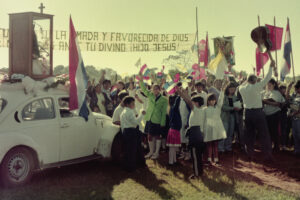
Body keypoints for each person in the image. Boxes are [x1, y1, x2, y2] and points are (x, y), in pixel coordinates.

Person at [238, 60, 276, 163]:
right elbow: (267, 77)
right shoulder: (257, 86)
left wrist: (249, 79)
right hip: (258, 113)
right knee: (264, 134)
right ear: (255, 80)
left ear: (247, 80)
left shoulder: (241, 88)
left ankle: (249, 154)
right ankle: (267, 155)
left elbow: (244, 83)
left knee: (249, 134)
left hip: (247, 113)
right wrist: (271, 67)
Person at [139, 72, 168, 160]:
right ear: (152, 89)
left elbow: (164, 112)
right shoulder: (150, 95)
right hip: (149, 119)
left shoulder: (164, 99)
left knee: (158, 136)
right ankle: (151, 151)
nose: (155, 90)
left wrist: (163, 122)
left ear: (159, 90)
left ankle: (156, 153)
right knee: (149, 135)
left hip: (158, 120)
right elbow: (144, 89)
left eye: (156, 89)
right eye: (153, 89)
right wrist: (141, 80)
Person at [178, 88, 205, 178]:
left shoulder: (196, 110)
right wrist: (184, 93)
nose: (191, 104)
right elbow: (189, 100)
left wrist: (181, 94)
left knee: (195, 155)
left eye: (193, 102)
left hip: (195, 133)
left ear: (196, 103)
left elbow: (188, 101)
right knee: (198, 155)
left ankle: (197, 174)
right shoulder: (202, 110)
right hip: (199, 133)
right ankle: (199, 172)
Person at [203, 81, 228, 165]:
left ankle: (216, 160)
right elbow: (203, 120)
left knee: (215, 145)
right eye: (210, 100)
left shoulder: (217, 108)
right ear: (208, 101)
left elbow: (221, 99)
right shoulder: (205, 109)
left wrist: (223, 90)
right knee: (209, 145)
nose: (212, 102)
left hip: (216, 128)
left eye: (213, 100)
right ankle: (209, 159)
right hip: (209, 128)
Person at [120, 96, 146, 172]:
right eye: (132, 103)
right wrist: (142, 114)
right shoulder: (129, 111)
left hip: (126, 131)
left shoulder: (124, 111)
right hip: (130, 132)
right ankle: (131, 167)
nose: (134, 105)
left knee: (128, 150)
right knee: (132, 150)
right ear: (127, 104)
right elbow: (136, 122)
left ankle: (129, 166)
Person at [262, 79, 285, 152]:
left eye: (270, 85)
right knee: (268, 131)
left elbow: (277, 104)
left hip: (274, 114)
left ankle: (276, 146)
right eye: (267, 85)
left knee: (274, 131)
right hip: (267, 115)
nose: (268, 86)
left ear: (274, 85)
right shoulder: (265, 92)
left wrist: (266, 101)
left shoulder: (276, 93)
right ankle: (271, 146)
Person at [219, 82, 240, 153]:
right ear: (227, 89)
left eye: (233, 89)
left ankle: (228, 147)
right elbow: (223, 107)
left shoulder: (235, 97)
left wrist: (239, 107)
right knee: (224, 133)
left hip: (233, 117)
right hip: (225, 117)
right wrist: (233, 108)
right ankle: (221, 148)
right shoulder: (224, 97)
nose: (232, 91)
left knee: (230, 133)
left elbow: (238, 106)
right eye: (231, 89)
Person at [166, 95, 182, 165]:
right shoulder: (174, 108)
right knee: (172, 148)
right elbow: (177, 102)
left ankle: (174, 161)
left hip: (174, 130)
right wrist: (179, 95)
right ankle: (171, 162)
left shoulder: (172, 109)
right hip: (174, 130)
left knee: (173, 148)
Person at [286, 81, 300, 157]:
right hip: (294, 118)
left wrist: (292, 114)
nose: (296, 90)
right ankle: (297, 150)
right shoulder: (295, 95)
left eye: (297, 88)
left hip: (298, 118)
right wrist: (288, 88)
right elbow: (287, 98)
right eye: (296, 88)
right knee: (295, 135)